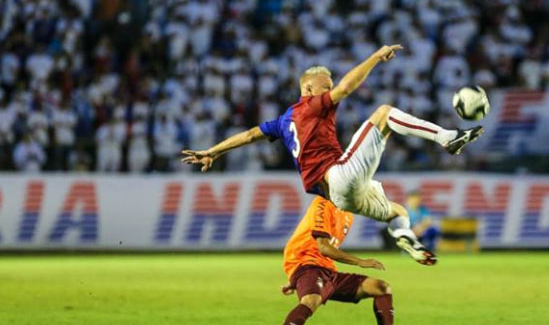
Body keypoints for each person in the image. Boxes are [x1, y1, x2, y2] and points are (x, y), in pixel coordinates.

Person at [181, 44, 484, 266]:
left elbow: (249, 135)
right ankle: (447, 138)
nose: (330, 93)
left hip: (340, 197)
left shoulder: (282, 122)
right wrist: (376, 57)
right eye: (324, 87)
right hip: (338, 175)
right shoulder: (311, 106)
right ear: (308, 88)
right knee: (384, 113)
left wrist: (212, 152)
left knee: (398, 213)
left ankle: (410, 243)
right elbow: (347, 88)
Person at [261, 196, 418, 325]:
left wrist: (299, 282)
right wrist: (360, 262)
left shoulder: (348, 214)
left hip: (327, 271)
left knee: (381, 287)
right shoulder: (323, 203)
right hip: (308, 263)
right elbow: (323, 247)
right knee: (311, 300)